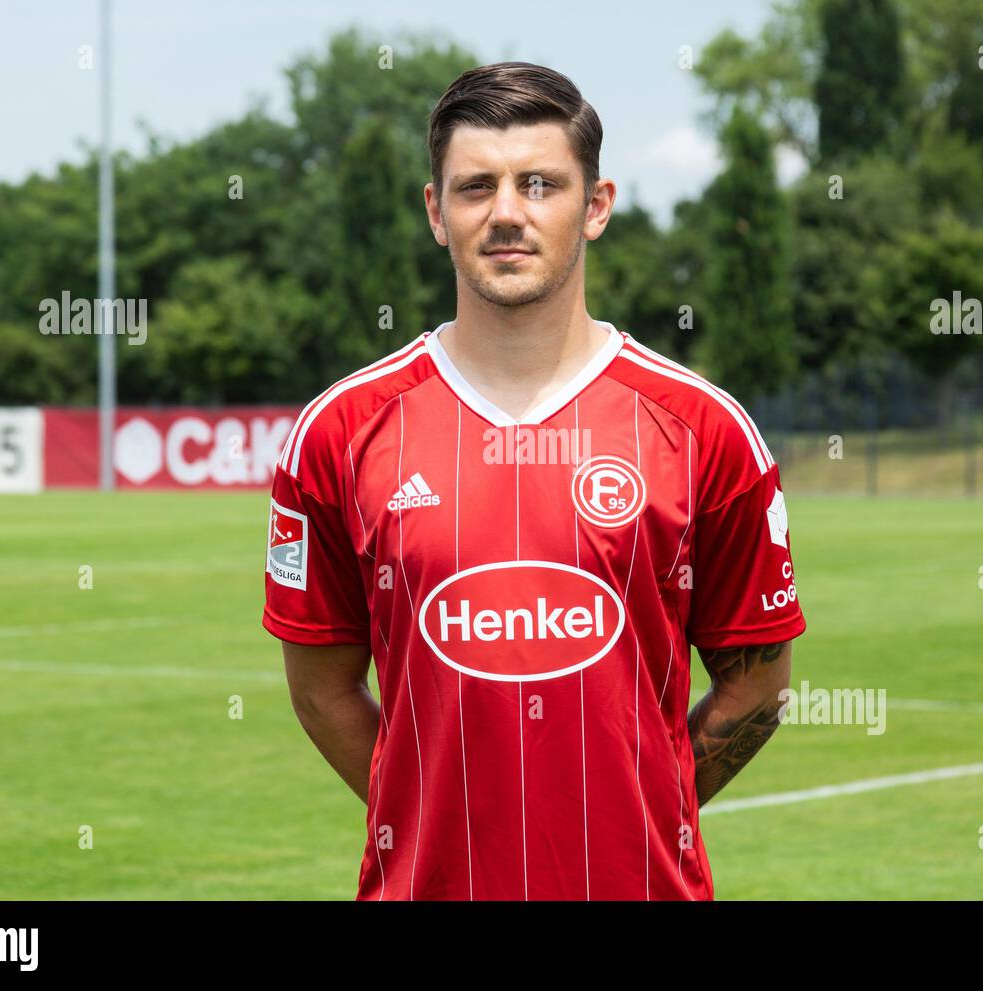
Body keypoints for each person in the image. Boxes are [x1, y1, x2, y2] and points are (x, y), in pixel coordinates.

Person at [262, 61, 806, 900]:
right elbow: (321, 688)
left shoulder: (705, 429)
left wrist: (644, 808)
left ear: (595, 207)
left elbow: (760, 682)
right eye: (476, 186)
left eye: (540, 184)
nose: (507, 212)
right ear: (436, 213)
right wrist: (433, 818)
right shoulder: (340, 431)